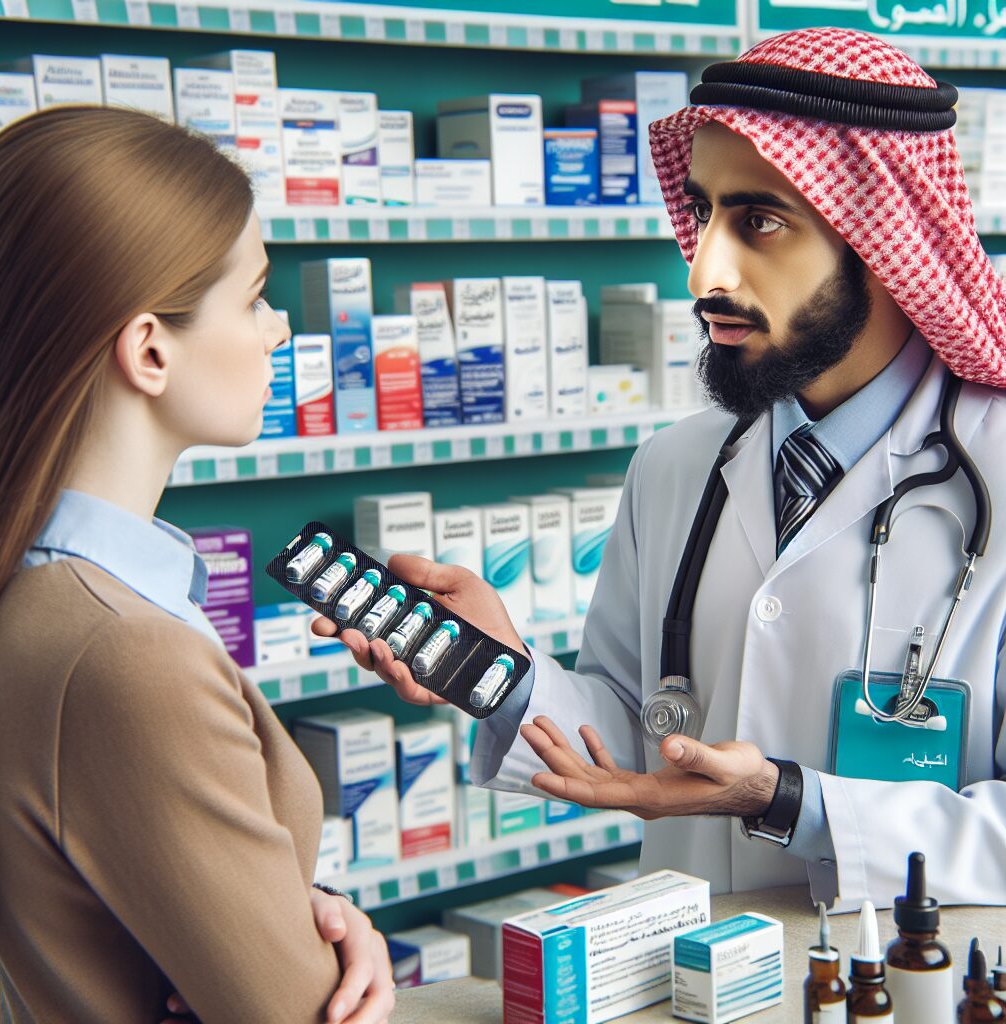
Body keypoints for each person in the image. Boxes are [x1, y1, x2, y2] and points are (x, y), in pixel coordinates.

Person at [316, 27, 1006, 912]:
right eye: (704, 213)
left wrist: (788, 801)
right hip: (692, 985)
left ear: (884, 236)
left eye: (759, 222)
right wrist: (506, 674)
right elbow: (649, 735)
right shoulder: (677, 466)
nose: (704, 270)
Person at [0, 106, 395, 1023]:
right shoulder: (125, 654)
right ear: (150, 351)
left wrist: (305, 921)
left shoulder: (39, 588)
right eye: (252, 298)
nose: (279, 330)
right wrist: (323, 971)